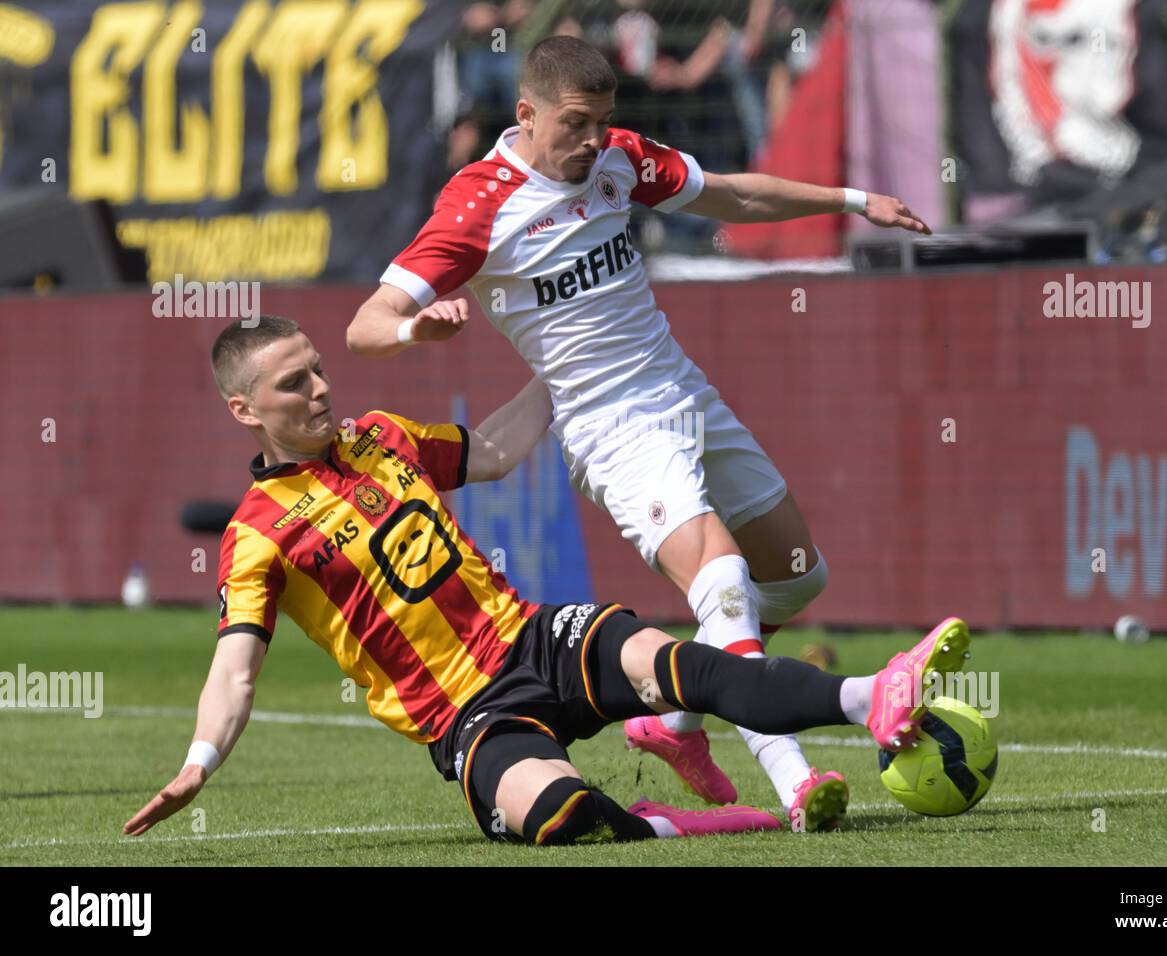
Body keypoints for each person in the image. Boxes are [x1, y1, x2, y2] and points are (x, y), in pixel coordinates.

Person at [347, 35, 932, 830]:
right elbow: (365, 324)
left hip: (684, 391)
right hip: (610, 428)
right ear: (527, 115)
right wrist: (418, 330)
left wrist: (853, 201)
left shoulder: (619, 158)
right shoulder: (478, 204)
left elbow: (733, 196)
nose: (592, 140)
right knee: (719, 579)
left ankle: (676, 720)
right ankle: (796, 784)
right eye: (576, 123)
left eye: (603, 121)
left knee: (797, 578)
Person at [122, 317, 970, 845]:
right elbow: (234, 672)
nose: (320, 386)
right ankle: (669, 826)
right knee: (563, 820)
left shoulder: (379, 435)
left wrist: (564, 369)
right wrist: (199, 762)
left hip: (534, 636)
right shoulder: (255, 537)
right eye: (294, 381)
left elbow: (488, 453)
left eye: (317, 367)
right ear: (245, 409)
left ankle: (873, 694)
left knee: (685, 665)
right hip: (467, 717)